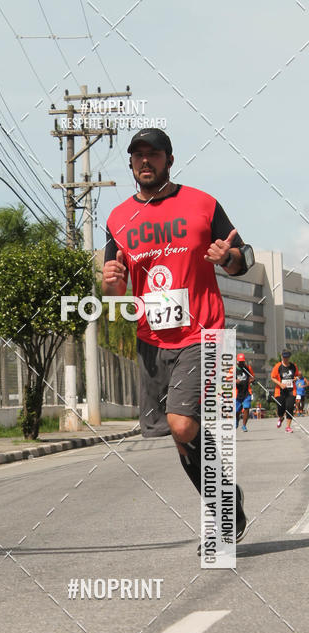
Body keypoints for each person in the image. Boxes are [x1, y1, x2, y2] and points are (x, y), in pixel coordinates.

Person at [102, 128, 255, 553]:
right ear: (131, 164)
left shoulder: (202, 204)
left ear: (169, 159)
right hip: (152, 340)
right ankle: (227, 499)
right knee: (179, 435)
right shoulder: (117, 219)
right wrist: (110, 283)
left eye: (153, 154)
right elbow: (116, 291)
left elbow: (242, 261)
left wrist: (228, 256)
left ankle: (224, 503)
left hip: (204, 332)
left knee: (182, 424)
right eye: (138, 156)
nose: (145, 162)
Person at [271, 349, 298, 432]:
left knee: (290, 407)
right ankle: (281, 417)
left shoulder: (293, 366)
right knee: (280, 407)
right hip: (280, 391)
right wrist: (280, 384)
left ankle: (288, 427)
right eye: (284, 357)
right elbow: (272, 377)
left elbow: (296, 376)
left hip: (291, 390)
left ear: (289, 357)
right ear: (281, 357)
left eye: (287, 357)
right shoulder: (278, 366)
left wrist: (295, 379)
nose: (285, 359)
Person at [235, 352, 255, 432]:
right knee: (237, 410)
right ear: (237, 361)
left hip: (247, 392)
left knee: (246, 408)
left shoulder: (248, 368)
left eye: (243, 361)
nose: (241, 363)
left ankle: (244, 425)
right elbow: (227, 379)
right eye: (240, 362)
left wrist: (252, 380)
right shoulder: (233, 369)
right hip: (237, 393)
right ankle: (236, 421)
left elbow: (252, 377)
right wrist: (235, 381)